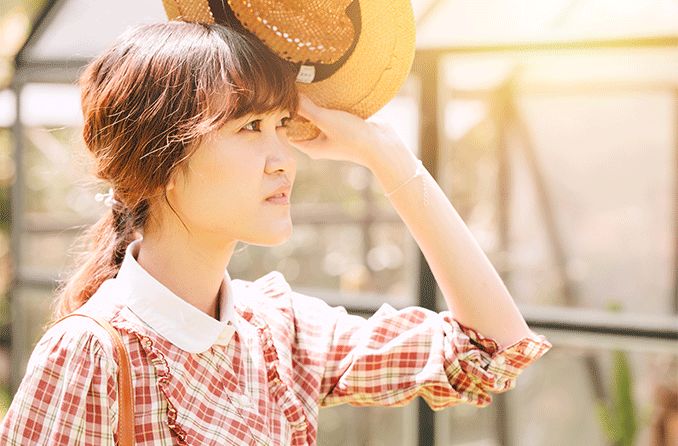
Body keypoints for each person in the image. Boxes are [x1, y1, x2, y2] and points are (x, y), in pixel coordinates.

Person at [0, 20, 552, 445]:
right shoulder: (89, 355)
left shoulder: (277, 330)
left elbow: (492, 353)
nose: (282, 159)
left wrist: (387, 157)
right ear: (159, 160)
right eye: (248, 127)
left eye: (279, 126)